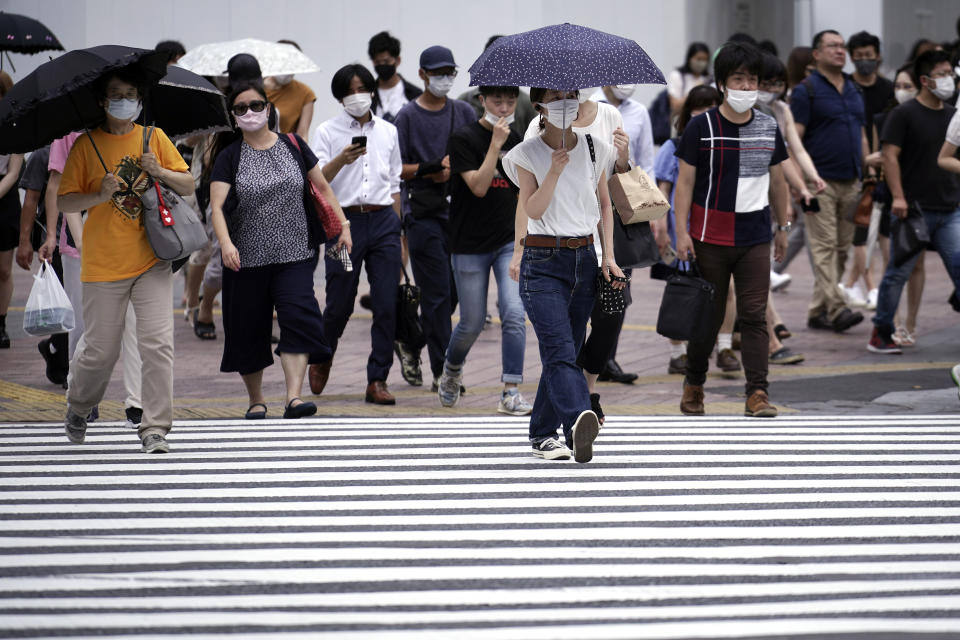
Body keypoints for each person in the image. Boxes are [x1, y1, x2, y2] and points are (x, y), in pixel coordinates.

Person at [58, 69, 192, 453]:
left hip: (152, 258)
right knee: (101, 349)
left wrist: (159, 170)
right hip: (102, 264)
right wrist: (98, 195)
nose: (125, 100)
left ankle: (155, 428)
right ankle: (79, 406)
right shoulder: (86, 146)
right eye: (116, 94)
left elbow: (188, 182)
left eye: (131, 94)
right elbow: (66, 200)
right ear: (103, 102)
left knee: (157, 344)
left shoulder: (153, 138)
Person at [210, 80, 350, 419]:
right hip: (246, 259)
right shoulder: (229, 157)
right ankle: (256, 400)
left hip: (296, 255)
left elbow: (322, 187)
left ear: (269, 109)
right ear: (233, 116)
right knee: (248, 328)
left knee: (299, 318)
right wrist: (226, 244)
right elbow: (216, 207)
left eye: (256, 105)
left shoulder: (293, 144)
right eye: (241, 108)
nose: (250, 113)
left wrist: (343, 226)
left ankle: (293, 397)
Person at [502, 87, 624, 463]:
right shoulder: (525, 153)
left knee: (567, 352)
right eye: (555, 96)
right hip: (542, 260)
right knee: (558, 350)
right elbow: (533, 207)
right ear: (540, 104)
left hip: (585, 258)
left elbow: (605, 205)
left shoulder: (594, 147)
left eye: (570, 94)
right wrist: (553, 171)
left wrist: (609, 258)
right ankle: (577, 421)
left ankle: (542, 433)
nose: (565, 102)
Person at [673, 41, 791, 418]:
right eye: (738, 78)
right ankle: (694, 385)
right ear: (722, 83)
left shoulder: (768, 126)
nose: (746, 86)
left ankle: (757, 393)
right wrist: (681, 232)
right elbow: (685, 184)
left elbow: (779, 182)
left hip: (755, 234)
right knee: (707, 317)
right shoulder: (700, 126)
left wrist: (783, 226)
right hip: (709, 235)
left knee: (754, 314)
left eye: (752, 79)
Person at [309, 64, 402, 405]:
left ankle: (377, 378)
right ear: (339, 97)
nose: (358, 96)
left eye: (363, 88)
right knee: (340, 301)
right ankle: (323, 352)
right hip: (341, 223)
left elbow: (394, 183)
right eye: (350, 90)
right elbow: (317, 181)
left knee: (386, 303)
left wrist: (398, 224)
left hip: (383, 222)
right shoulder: (327, 131)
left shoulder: (389, 131)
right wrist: (341, 160)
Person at [436, 83, 531, 415]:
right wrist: (495, 146)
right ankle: (451, 368)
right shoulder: (463, 139)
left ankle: (511, 391)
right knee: (472, 321)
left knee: (515, 314)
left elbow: (524, 197)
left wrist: (521, 245)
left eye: (509, 101)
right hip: (468, 243)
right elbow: (477, 186)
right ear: (482, 101)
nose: (503, 107)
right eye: (496, 100)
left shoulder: (519, 142)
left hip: (507, 240)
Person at [394, 45, 477, 390]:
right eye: (437, 73)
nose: (444, 79)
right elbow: (394, 168)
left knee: (457, 292)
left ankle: (411, 341)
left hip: (460, 212)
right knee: (439, 294)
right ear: (422, 75)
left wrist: (455, 169)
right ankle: (443, 371)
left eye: (449, 73)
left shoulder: (464, 112)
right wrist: (430, 170)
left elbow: (476, 154)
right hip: (422, 213)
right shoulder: (407, 117)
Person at [869, 50, 960, 353]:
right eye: (943, 73)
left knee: (959, 263)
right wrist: (898, 196)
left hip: (950, 208)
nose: (949, 79)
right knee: (898, 272)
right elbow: (890, 157)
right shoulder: (903, 114)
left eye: (951, 72)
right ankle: (882, 330)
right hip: (912, 209)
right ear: (925, 79)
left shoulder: (952, 114)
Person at [791, 30, 869, 333]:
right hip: (818, 182)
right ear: (816, 54)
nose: (840, 51)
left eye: (842, 46)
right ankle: (837, 308)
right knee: (824, 247)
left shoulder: (853, 89)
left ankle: (817, 310)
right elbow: (794, 141)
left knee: (841, 249)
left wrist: (867, 173)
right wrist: (798, 184)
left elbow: (861, 135)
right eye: (832, 46)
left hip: (852, 181)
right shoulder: (806, 91)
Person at [654, 85, 722, 375]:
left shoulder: (723, 144)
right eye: (699, 107)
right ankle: (677, 353)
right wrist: (662, 227)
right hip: (680, 228)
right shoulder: (673, 146)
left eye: (711, 107)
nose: (705, 114)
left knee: (721, 291)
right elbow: (663, 189)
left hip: (714, 228)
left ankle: (725, 346)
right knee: (681, 289)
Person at [841, 31, 895, 310]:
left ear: (878, 56)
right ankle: (871, 287)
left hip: (886, 169)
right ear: (851, 58)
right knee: (863, 232)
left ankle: (851, 285)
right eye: (859, 56)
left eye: (869, 56)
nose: (864, 61)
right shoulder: (847, 87)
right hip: (857, 168)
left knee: (877, 233)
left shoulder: (888, 89)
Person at [456, 36, 537, 139]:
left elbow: (531, 138)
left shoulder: (526, 102)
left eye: (510, 102)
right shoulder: (465, 100)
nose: (504, 109)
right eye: (497, 102)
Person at [264, 39, 316, 139]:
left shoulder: (305, 93)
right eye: (283, 62)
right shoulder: (255, 89)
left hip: (286, 150)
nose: (287, 69)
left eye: (293, 65)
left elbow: (302, 135)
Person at [368, 31, 422, 123]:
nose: (382, 66)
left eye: (386, 61)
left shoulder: (414, 94)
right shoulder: (367, 95)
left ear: (398, 60)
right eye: (377, 62)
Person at [667, 43, 712, 115]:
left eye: (705, 60)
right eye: (698, 59)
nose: (701, 63)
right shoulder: (677, 76)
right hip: (682, 123)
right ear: (689, 59)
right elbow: (675, 106)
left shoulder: (709, 79)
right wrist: (694, 90)